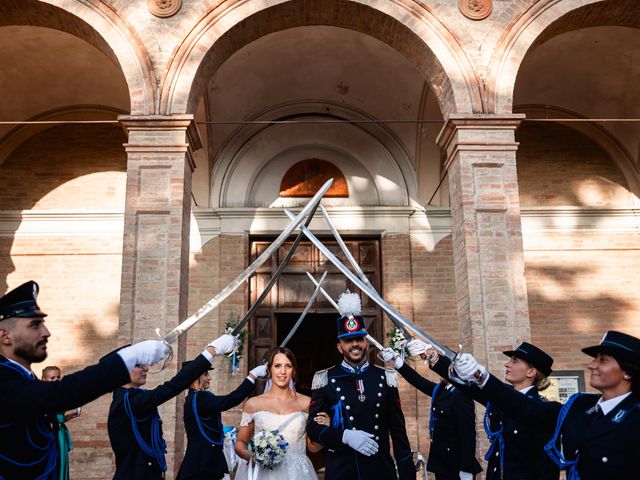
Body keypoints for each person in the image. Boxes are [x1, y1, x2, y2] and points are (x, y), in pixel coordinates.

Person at [0, 280, 169, 479]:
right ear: (5, 336)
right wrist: (127, 359)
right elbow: (62, 393)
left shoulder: (23, 377)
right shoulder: (4, 379)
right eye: (35, 325)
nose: (46, 332)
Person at [450, 330, 640, 480]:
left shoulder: (634, 416)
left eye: (602, 360)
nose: (591, 365)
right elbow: (526, 408)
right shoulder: (580, 406)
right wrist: (480, 376)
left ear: (628, 372)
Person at [405, 339, 559, 480]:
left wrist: (480, 375)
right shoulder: (501, 398)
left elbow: (515, 403)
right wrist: (431, 356)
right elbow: (466, 385)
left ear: (531, 372)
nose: (507, 364)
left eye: (515, 361)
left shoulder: (543, 408)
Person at [306, 292, 415, 480]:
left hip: (380, 470)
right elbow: (314, 430)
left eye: (359, 338)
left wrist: (407, 474)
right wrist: (345, 436)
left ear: (366, 342)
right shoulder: (325, 379)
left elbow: (398, 432)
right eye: (348, 340)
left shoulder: (385, 377)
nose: (354, 344)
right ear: (340, 346)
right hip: (342, 470)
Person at [107, 333, 237, 479]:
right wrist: (212, 351)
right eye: (138, 365)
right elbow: (173, 386)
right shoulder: (129, 401)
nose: (146, 369)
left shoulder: (130, 398)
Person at [380, 347, 481, 480]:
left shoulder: (462, 396)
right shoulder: (441, 389)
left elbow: (468, 435)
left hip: (456, 464)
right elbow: (418, 381)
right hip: (442, 461)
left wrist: (466, 469)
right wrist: (397, 362)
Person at [235, 346, 321, 480]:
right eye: (277, 366)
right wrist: (255, 457)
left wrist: (328, 428)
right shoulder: (253, 404)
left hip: (298, 473)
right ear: (269, 369)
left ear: (293, 371)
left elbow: (313, 447)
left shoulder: (306, 403)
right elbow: (240, 443)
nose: (283, 371)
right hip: (265, 472)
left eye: (288, 366)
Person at [176, 360, 268, 480]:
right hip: (203, 465)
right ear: (195, 378)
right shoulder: (200, 398)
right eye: (206, 374)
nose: (210, 377)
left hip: (199, 461)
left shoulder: (193, 397)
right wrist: (252, 375)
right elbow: (230, 400)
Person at [41, 366, 82, 480]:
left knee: (61, 463)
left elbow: (56, 417)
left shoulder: (59, 393)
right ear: (43, 379)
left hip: (60, 433)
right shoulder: (42, 395)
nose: (56, 380)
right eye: (52, 378)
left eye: (58, 377)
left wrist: (68, 417)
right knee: (51, 464)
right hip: (48, 434)